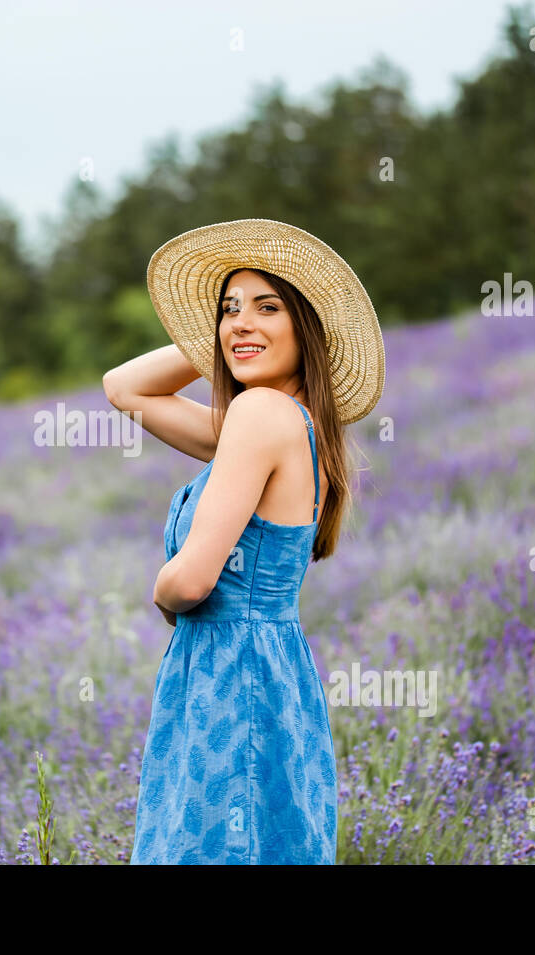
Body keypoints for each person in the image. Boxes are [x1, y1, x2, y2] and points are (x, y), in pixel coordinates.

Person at [103, 218, 386, 864]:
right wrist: (224, 332)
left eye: (268, 307)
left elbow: (194, 577)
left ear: (305, 327)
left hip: (230, 676)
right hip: (268, 670)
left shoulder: (259, 418)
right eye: (229, 308)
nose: (241, 322)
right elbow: (125, 388)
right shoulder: (285, 424)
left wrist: (164, 588)